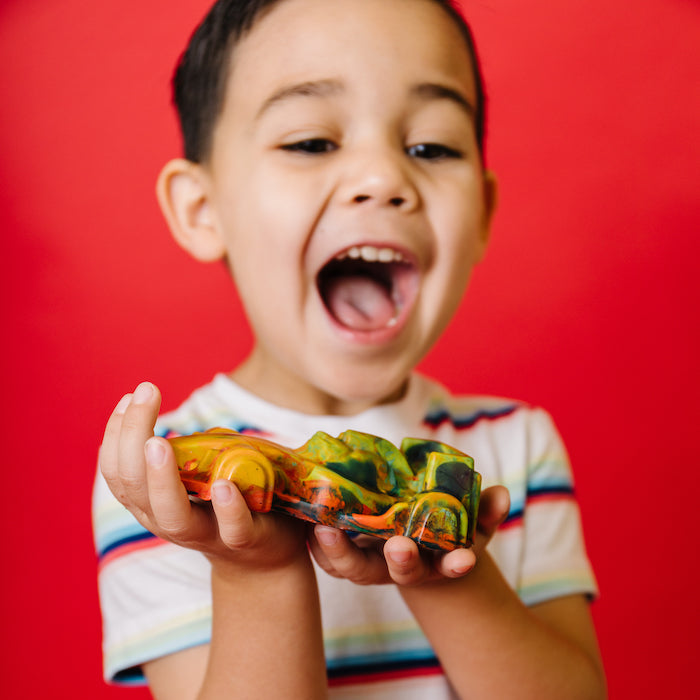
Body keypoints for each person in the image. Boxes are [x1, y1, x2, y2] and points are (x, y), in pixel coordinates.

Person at [94, 0, 606, 697]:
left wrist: (445, 567)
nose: (384, 179)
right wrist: (258, 569)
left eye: (431, 147)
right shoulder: (168, 482)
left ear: (483, 213)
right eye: (311, 142)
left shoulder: (515, 447)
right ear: (202, 209)